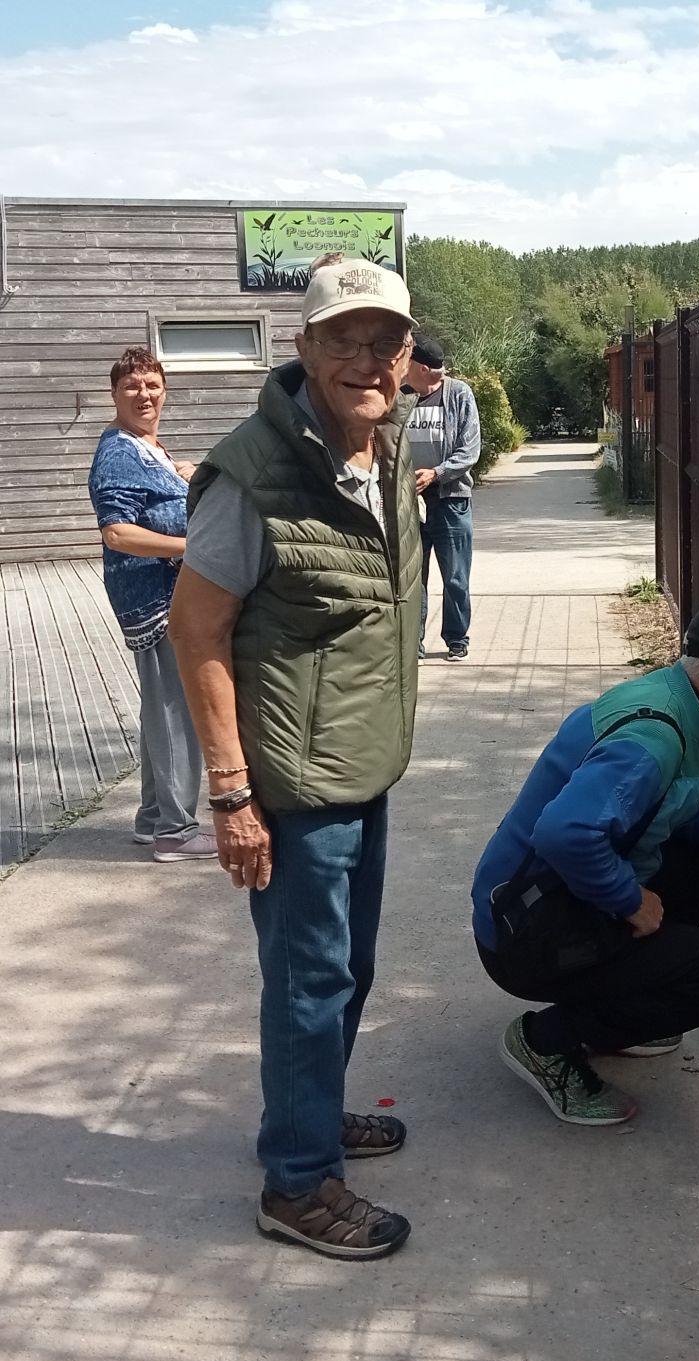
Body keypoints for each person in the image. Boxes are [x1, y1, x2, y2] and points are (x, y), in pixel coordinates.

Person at [167, 256, 422, 1261]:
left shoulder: (383, 446)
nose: (366, 358)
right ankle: (297, 1180)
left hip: (362, 762)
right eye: (344, 339)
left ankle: (307, 1117)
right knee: (307, 979)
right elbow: (197, 629)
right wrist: (230, 792)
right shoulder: (253, 472)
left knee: (344, 970)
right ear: (305, 347)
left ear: (405, 355)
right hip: (293, 782)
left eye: (385, 341)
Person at [470, 591, 699, 1125]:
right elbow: (564, 833)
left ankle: (620, 999)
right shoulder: (654, 737)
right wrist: (628, 899)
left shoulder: (684, 705)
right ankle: (545, 1042)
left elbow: (654, 809)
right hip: (525, 934)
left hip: (542, 903)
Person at [87, 348, 216, 863]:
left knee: (165, 708)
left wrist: (189, 477)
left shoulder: (148, 446)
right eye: (133, 387)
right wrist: (193, 548)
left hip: (172, 593)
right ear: (115, 394)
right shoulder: (118, 452)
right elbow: (117, 532)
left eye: (153, 385)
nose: (145, 395)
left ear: (165, 390)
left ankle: (152, 818)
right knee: (177, 711)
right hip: (154, 599)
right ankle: (177, 831)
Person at [404, 334, 480, 661]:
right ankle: (413, 642)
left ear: (421, 367)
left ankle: (456, 638)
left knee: (455, 577)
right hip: (408, 502)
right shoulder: (400, 396)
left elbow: (469, 449)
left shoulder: (459, 394)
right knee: (411, 578)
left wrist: (436, 473)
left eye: (406, 361)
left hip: (450, 501)